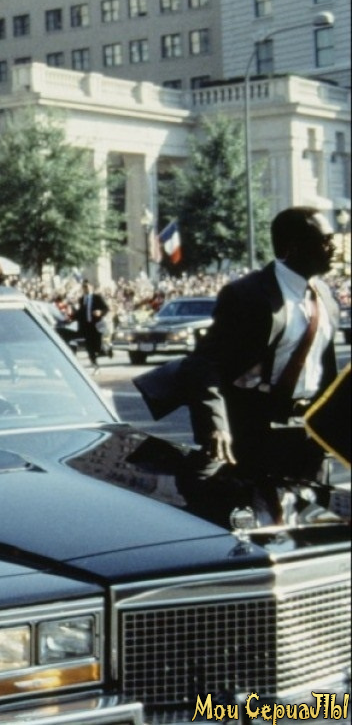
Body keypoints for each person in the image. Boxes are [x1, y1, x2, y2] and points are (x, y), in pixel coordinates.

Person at [139, 207, 340, 525]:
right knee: (254, 528)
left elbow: (325, 373)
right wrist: (216, 426)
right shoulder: (249, 295)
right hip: (256, 435)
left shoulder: (325, 296)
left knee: (312, 530)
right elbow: (205, 363)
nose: (334, 247)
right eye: (325, 240)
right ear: (293, 247)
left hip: (307, 440)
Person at [75, 280, 110, 370]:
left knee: (97, 346)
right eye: (84, 287)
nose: (85, 289)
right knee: (89, 347)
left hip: (96, 325)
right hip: (86, 326)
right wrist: (72, 316)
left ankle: (107, 350)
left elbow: (106, 308)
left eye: (87, 286)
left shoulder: (97, 297)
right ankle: (94, 364)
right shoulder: (81, 299)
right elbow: (80, 312)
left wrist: (100, 312)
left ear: (91, 287)